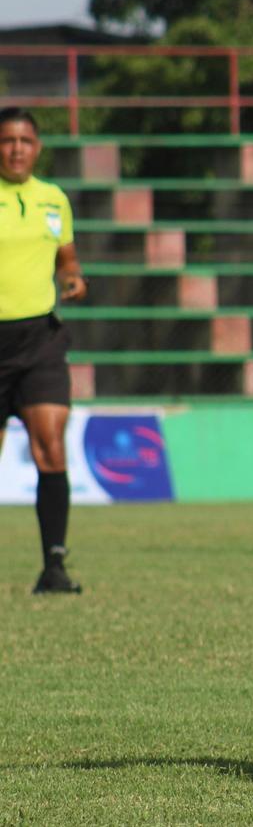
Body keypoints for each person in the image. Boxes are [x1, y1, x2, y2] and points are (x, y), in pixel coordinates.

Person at [0, 107, 87, 594]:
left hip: (40, 342)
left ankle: (54, 567)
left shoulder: (54, 199)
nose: (16, 149)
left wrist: (72, 279)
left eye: (25, 141)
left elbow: (66, 259)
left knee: (51, 446)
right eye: (7, 140)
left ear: (38, 148)